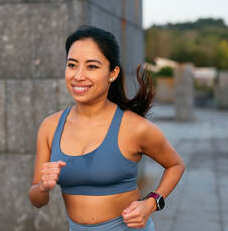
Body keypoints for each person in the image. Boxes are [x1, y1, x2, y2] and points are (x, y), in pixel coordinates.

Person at [28, 25, 185, 231]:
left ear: (112, 73)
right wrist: (43, 187)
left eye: (92, 67)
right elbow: (37, 200)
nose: (78, 75)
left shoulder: (134, 127)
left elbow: (175, 165)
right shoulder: (50, 126)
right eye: (72, 65)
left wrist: (151, 202)